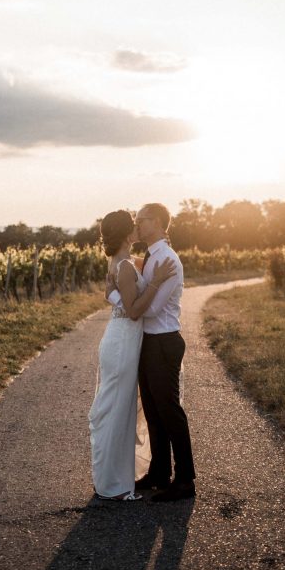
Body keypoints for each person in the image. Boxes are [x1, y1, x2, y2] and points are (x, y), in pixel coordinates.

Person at [107, 203, 196, 502]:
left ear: (157, 222)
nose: (137, 224)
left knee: (170, 411)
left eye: (141, 220)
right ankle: (159, 472)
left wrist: (127, 302)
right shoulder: (151, 256)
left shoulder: (167, 260)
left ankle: (185, 479)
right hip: (149, 341)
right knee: (154, 413)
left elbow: (154, 309)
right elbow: (125, 274)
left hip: (163, 340)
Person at [89, 210, 176, 501]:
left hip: (119, 341)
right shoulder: (125, 266)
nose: (138, 227)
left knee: (115, 407)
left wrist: (150, 270)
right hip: (123, 344)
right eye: (134, 224)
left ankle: (110, 478)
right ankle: (114, 485)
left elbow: (109, 294)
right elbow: (135, 311)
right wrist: (156, 281)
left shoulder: (122, 263)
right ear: (128, 234)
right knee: (118, 410)